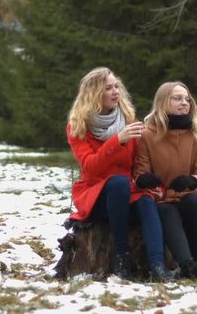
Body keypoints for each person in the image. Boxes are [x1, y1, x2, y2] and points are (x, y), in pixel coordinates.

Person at [66, 67, 174, 282]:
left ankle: (158, 268)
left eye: (117, 86)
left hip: (128, 193)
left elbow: (139, 164)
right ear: (94, 93)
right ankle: (121, 259)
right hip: (98, 198)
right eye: (108, 88)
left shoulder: (127, 120)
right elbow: (90, 167)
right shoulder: (78, 126)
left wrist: (152, 185)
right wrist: (117, 140)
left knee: (145, 199)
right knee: (117, 183)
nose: (116, 91)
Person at [133, 81, 197, 280]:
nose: (184, 103)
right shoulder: (148, 134)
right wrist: (144, 180)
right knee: (167, 209)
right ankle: (187, 266)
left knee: (194, 201)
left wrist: (192, 182)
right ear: (162, 102)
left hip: (187, 196)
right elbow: (139, 173)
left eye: (187, 99)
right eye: (177, 98)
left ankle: (195, 260)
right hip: (161, 200)